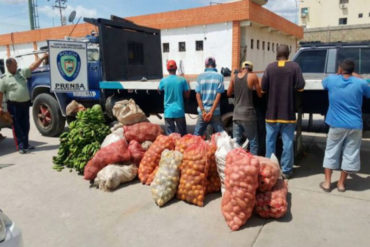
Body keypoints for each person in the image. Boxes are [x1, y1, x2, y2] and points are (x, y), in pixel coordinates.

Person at [320, 59, 370, 192]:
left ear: (341, 69)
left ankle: (327, 183)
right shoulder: (361, 83)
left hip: (336, 124)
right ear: (353, 71)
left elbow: (323, 83)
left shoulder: (332, 80)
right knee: (350, 154)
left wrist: (338, 73)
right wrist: (358, 76)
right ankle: (341, 184)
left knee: (331, 152)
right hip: (355, 125)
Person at [261, 45, 305, 179]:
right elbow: (301, 86)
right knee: (288, 144)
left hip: (271, 114)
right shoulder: (294, 67)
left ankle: (269, 169)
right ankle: (286, 171)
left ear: (276, 53)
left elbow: (263, 88)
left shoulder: (270, 67)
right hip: (288, 114)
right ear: (289, 53)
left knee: (270, 142)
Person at [0, 54, 48, 154]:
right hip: (13, 106)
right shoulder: (4, 79)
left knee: (26, 125)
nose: (17, 66)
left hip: (25, 104)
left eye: (16, 64)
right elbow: (0, 94)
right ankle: (21, 146)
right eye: (15, 65)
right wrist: (0, 107)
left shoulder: (21, 72)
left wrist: (43, 57)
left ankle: (26, 144)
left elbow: (33, 66)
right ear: (9, 66)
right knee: (17, 126)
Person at [227, 61, 262, 154]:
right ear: (251, 69)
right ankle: (253, 164)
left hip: (236, 114)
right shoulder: (253, 76)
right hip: (248, 115)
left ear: (242, 68)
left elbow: (228, 93)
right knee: (253, 141)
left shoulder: (234, 77)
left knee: (236, 142)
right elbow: (260, 94)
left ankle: (237, 163)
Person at [194, 57, 225, 136]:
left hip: (203, 113)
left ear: (205, 65)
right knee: (221, 135)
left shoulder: (200, 77)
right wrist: (211, 112)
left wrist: (203, 111)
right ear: (215, 65)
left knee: (196, 135)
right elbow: (218, 95)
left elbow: (198, 95)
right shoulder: (219, 76)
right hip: (215, 112)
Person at [158, 60, 190, 136]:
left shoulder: (163, 81)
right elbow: (187, 95)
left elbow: (159, 90)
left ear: (167, 69)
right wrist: (187, 84)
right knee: (182, 136)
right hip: (179, 112)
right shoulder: (182, 80)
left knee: (170, 138)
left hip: (168, 112)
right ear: (176, 68)